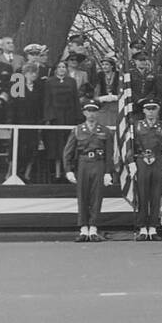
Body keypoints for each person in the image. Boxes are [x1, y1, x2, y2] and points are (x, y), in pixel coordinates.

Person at [63, 101, 114, 241]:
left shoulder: (105, 131)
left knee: (97, 196)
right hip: (83, 164)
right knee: (83, 195)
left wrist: (108, 172)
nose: (91, 114)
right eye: (88, 111)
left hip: (99, 163)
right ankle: (83, 228)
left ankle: (93, 227)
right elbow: (68, 152)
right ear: (84, 113)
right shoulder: (77, 130)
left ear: (97, 113)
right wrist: (68, 170)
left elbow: (110, 153)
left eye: (94, 111)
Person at [132, 99, 162, 241]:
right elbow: (130, 146)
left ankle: (152, 228)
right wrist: (130, 162)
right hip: (142, 160)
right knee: (142, 194)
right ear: (144, 111)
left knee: (156, 195)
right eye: (148, 109)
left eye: (154, 108)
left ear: (158, 110)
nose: (151, 112)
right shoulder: (137, 126)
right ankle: (142, 228)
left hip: (158, 160)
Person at [43, 59, 81, 180]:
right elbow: (47, 100)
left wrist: (77, 117)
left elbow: (75, 99)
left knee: (69, 143)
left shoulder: (72, 82)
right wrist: (49, 117)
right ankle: (58, 173)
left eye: (64, 67)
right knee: (57, 145)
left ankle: (69, 172)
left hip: (69, 116)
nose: (62, 69)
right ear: (55, 69)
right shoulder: (49, 82)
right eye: (59, 67)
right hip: (56, 117)